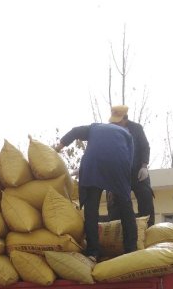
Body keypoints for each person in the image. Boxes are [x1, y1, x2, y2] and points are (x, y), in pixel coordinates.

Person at [55, 123, 136, 260]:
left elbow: (74, 131)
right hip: (118, 165)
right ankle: (131, 249)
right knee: (126, 207)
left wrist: (56, 149)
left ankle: (93, 252)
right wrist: (119, 188)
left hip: (93, 163)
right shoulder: (127, 135)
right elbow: (129, 161)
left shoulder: (94, 127)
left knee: (91, 209)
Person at [105, 105, 155, 227]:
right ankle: (117, 229)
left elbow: (145, 147)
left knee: (145, 196)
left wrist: (144, 166)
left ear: (125, 118)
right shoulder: (109, 132)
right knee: (114, 203)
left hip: (137, 172)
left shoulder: (137, 129)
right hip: (118, 175)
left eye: (119, 121)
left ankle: (148, 228)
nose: (116, 124)